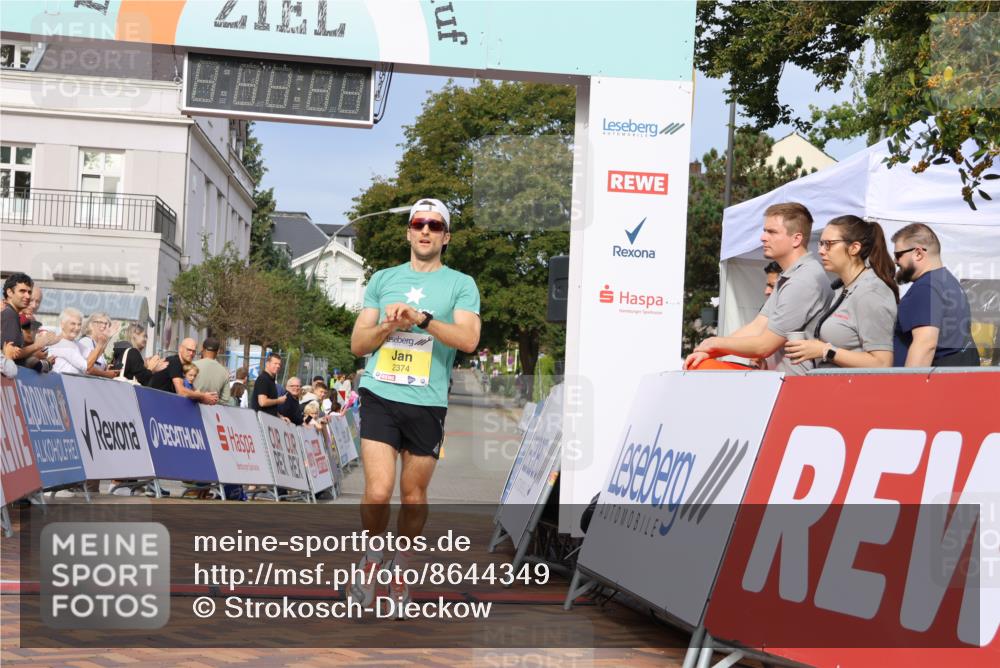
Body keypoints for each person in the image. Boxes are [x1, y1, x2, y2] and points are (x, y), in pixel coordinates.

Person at [348, 197, 481, 611]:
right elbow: (357, 345)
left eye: (435, 225)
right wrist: (390, 324)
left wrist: (422, 319)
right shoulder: (383, 278)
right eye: (419, 223)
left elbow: (469, 341)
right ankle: (371, 560)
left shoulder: (461, 284)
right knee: (378, 490)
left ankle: (401, 567)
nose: (426, 230)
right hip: (380, 394)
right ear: (408, 232)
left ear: (446, 237)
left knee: (413, 496)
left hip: (427, 402)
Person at [685, 202, 833, 374]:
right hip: (777, 381)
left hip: (796, 387)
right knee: (700, 364)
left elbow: (764, 346)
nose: (763, 237)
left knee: (701, 368)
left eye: (771, 232)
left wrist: (714, 344)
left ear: (796, 239)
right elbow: (757, 326)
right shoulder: (791, 275)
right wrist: (709, 350)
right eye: (764, 231)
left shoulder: (803, 280)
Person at [784, 216, 898, 369]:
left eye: (829, 244)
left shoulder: (871, 292)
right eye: (821, 244)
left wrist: (825, 351)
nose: (821, 251)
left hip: (855, 390)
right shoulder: (843, 288)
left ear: (854, 248)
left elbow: (882, 363)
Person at [891, 223, 978, 367]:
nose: (895, 261)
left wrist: (907, 387)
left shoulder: (926, 287)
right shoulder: (947, 281)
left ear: (918, 253)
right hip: (954, 377)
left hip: (935, 382)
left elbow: (925, 345)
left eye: (898, 255)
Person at [2, 273, 56, 371]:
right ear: (10, 292)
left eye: (29, 292)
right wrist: (37, 346)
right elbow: (10, 354)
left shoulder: (14, 315)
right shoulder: (9, 314)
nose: (27, 296)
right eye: (22, 291)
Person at [149, 337, 219, 404]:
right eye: (188, 350)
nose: (191, 353)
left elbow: (188, 392)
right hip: (154, 402)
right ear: (180, 349)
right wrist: (203, 396)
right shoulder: (175, 362)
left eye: (194, 351)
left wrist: (202, 398)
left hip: (161, 402)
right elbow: (181, 392)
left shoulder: (184, 365)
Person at [48, 308, 90, 375]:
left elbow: (93, 358)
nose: (77, 328)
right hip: (59, 383)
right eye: (73, 324)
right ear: (62, 324)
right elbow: (86, 366)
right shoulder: (60, 343)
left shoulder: (76, 343)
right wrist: (101, 344)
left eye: (79, 324)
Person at [78, 312, 120, 379]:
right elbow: (86, 368)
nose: (104, 326)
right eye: (100, 322)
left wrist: (107, 369)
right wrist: (106, 374)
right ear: (90, 325)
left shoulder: (97, 344)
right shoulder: (86, 341)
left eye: (106, 324)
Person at [193, 336, 233, 405]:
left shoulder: (192, 366)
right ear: (218, 351)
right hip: (212, 411)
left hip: (192, 407)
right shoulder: (224, 372)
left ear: (202, 348)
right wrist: (212, 400)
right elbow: (225, 400)